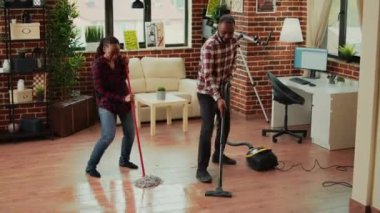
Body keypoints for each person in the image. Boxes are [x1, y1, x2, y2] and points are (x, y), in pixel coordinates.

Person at [86, 36, 138, 178]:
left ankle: (124, 160)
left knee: (130, 133)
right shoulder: (97, 65)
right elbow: (100, 91)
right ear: (104, 49)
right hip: (107, 103)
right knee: (108, 136)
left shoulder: (119, 60)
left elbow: (124, 78)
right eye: (112, 53)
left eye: (118, 53)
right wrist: (122, 98)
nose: (115, 56)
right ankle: (91, 166)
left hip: (123, 100)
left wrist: (126, 65)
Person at [196, 14, 239, 183]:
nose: (227, 37)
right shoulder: (209, 46)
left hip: (223, 87)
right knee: (207, 129)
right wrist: (218, 98)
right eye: (224, 34)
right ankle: (201, 169)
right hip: (206, 91)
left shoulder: (234, 42)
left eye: (230, 33)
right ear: (218, 29)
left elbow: (234, 63)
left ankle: (218, 155)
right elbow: (208, 76)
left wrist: (229, 79)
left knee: (225, 124)